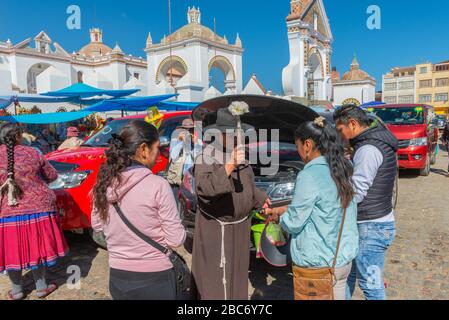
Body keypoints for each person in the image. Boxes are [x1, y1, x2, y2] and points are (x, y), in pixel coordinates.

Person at [264, 117, 359, 300]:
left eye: (297, 145)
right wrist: (288, 209)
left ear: (307, 144)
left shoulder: (309, 174)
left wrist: (279, 217)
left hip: (319, 264)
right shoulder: (341, 168)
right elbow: (325, 208)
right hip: (342, 259)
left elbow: (294, 223)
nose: (298, 150)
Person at [91, 120, 186, 300]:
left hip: (118, 276)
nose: (159, 155)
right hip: (155, 278)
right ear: (143, 149)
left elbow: (97, 225)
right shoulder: (158, 185)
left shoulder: (102, 184)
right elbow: (175, 239)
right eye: (157, 148)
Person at [191, 108, 270, 300]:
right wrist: (229, 165)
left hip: (240, 229)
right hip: (217, 232)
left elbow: (247, 185)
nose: (238, 138)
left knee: (237, 276)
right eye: (234, 135)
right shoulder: (206, 156)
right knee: (216, 281)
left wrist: (261, 200)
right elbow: (205, 189)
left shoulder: (238, 154)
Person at [334, 105, 398, 300]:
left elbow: (358, 191)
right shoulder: (374, 143)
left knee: (372, 287)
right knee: (349, 276)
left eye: (340, 130)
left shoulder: (368, 149)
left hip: (370, 228)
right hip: (373, 224)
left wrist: (332, 204)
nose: (340, 136)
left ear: (352, 124)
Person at [0, 123, 68, 300]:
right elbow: (52, 176)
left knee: (11, 250)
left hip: (8, 210)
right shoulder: (34, 152)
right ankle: (41, 288)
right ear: (17, 137)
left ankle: (16, 291)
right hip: (40, 207)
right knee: (37, 248)